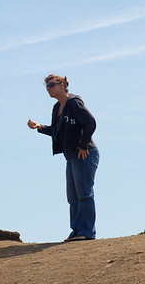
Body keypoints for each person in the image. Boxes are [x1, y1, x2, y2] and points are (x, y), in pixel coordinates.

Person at [27, 74, 100, 242]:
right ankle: (76, 231)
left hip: (84, 153)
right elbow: (56, 131)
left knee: (84, 194)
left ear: (62, 84)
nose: (49, 88)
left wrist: (83, 144)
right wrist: (39, 127)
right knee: (73, 196)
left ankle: (87, 231)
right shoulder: (57, 108)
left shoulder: (74, 102)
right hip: (71, 155)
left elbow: (90, 122)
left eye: (52, 84)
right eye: (47, 86)